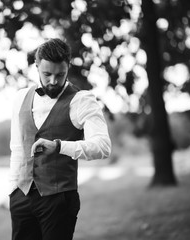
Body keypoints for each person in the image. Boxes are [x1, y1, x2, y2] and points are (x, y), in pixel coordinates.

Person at [8, 38, 112, 240]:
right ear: (36, 67)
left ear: (68, 68)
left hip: (59, 200)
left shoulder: (82, 101)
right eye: (47, 74)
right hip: (21, 197)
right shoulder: (20, 97)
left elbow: (103, 147)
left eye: (60, 75)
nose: (53, 81)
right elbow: (17, 148)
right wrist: (13, 191)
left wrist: (59, 146)